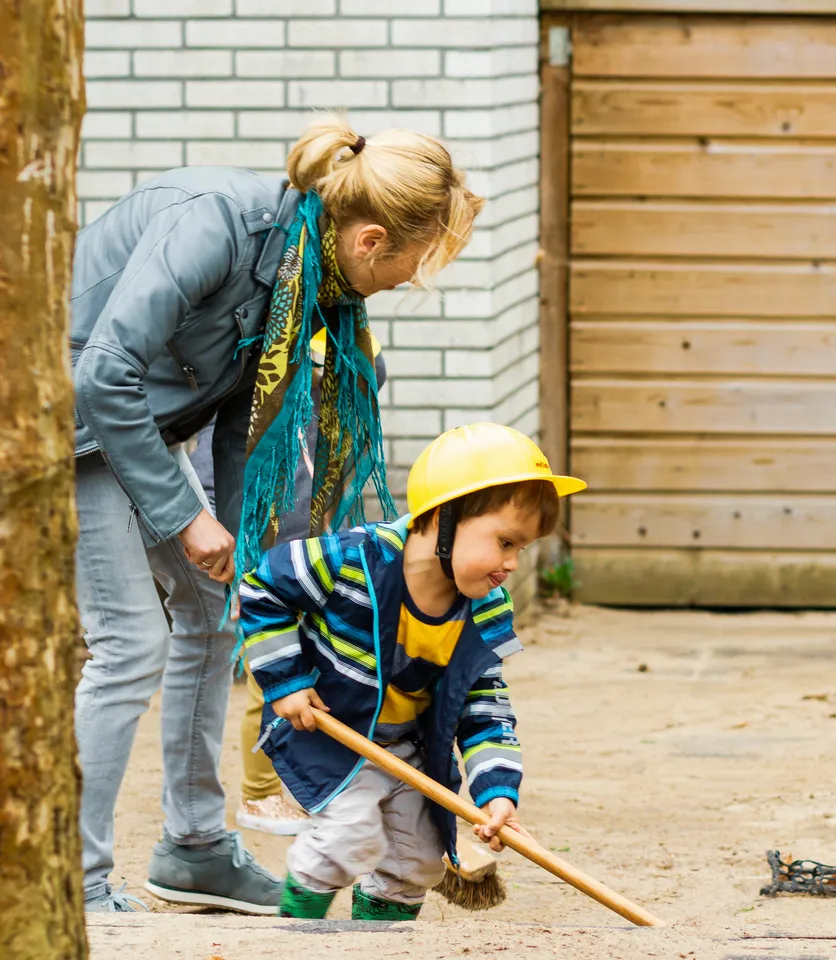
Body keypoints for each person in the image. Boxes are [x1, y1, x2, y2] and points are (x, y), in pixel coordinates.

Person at [70, 114, 484, 913]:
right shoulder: (214, 223)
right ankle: (75, 879)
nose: (406, 281)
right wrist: (184, 517)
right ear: (368, 241)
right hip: (76, 423)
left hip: (149, 430)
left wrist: (246, 548)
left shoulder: (299, 277)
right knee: (130, 643)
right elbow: (104, 374)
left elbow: (241, 418)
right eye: (410, 262)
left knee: (216, 617)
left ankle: (193, 851)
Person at [236, 424, 586, 920]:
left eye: (520, 549)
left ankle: (379, 944)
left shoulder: (484, 610)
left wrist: (497, 791)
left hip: (407, 748)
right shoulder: (352, 559)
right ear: (445, 518)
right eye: (506, 541)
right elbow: (261, 587)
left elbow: (485, 708)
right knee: (347, 835)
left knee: (418, 861)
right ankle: (297, 936)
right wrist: (286, 682)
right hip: (332, 734)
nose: (511, 563)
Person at [190, 329, 387, 836]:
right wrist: (237, 564)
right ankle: (258, 797)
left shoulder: (325, 421)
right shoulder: (251, 413)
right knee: (269, 678)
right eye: (324, 376)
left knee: (311, 674)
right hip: (259, 569)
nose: (332, 389)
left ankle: (306, 786)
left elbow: (326, 496)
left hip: (306, 565)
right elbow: (211, 481)